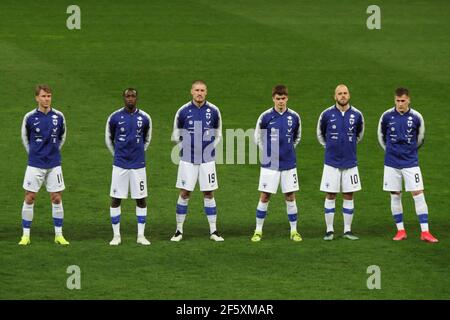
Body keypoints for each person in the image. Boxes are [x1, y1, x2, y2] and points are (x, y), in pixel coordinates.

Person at [377, 87, 438, 242]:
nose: (400, 104)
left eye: (403, 101)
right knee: (395, 194)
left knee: (418, 193)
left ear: (408, 100)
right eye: (397, 101)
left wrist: (408, 151)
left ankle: (425, 232)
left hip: (410, 162)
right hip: (391, 162)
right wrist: (391, 151)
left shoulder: (417, 117)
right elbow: (381, 136)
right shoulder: (386, 116)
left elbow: (420, 138)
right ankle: (400, 230)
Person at [170, 80, 224, 242]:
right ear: (191, 92)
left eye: (202, 90)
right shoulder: (183, 111)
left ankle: (213, 231)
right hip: (187, 159)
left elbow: (218, 133)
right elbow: (176, 133)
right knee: (185, 193)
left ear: (206, 92)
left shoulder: (214, 111)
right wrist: (185, 148)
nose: (199, 93)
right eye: (197, 90)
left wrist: (208, 150)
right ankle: (179, 231)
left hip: (207, 160)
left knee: (208, 193)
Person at [19, 84, 69, 245]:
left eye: (48, 96)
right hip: (35, 163)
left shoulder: (59, 116)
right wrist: (35, 153)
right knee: (30, 197)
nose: (46, 99)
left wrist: (52, 151)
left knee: (56, 198)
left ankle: (59, 235)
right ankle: (25, 235)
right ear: (37, 98)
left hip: (54, 163)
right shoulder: (29, 117)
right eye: (43, 96)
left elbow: (62, 136)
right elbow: (25, 138)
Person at [251, 85, 302, 242]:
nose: (280, 101)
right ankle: (258, 230)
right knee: (265, 196)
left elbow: (297, 137)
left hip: (288, 163)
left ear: (287, 98)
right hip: (270, 165)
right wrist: (268, 152)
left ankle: (294, 231)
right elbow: (257, 137)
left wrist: (287, 150)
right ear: (273, 98)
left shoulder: (294, 117)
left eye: (283, 98)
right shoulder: (265, 117)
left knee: (290, 196)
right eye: (278, 98)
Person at [317, 84, 365, 240]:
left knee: (349, 195)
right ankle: (329, 230)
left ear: (349, 95)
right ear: (335, 96)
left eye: (345, 93)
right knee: (330, 194)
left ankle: (347, 230)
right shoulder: (326, 114)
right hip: (331, 162)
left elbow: (359, 135)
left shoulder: (357, 115)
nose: (343, 96)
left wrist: (348, 146)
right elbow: (320, 135)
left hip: (350, 162)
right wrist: (330, 146)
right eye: (340, 93)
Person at [105, 88, 152, 246]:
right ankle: (116, 236)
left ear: (137, 98)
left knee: (141, 199)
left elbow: (147, 139)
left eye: (133, 96)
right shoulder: (114, 117)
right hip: (120, 165)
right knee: (116, 199)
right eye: (127, 96)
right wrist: (118, 154)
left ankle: (141, 235)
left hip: (138, 165)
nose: (130, 99)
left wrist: (138, 153)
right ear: (123, 98)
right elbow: (109, 139)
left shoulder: (145, 118)